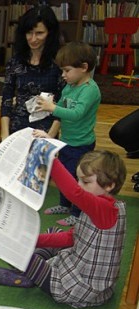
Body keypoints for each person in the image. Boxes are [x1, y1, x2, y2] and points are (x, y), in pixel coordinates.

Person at [0, 150, 127, 309]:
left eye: (86, 182)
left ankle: (30, 272)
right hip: (79, 264)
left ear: (109, 186)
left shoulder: (104, 209)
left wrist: (51, 160)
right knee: (52, 232)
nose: (80, 186)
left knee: (25, 256)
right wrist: (33, 240)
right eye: (78, 181)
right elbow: (72, 238)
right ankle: (31, 274)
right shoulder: (101, 206)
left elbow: (74, 193)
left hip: (84, 289)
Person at [34, 41, 101, 226]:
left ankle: (77, 213)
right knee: (64, 175)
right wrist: (50, 132)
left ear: (84, 68)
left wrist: (53, 107)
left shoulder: (90, 91)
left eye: (67, 70)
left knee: (77, 179)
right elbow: (60, 113)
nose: (63, 75)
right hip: (66, 141)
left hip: (81, 144)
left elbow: (76, 114)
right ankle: (64, 205)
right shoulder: (69, 87)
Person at [1, 6, 64, 140]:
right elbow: (6, 100)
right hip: (17, 125)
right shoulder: (15, 62)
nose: (33, 38)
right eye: (29, 33)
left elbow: (62, 104)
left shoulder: (59, 64)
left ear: (50, 33)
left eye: (39, 33)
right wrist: (4, 134)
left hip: (45, 128)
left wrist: (50, 136)